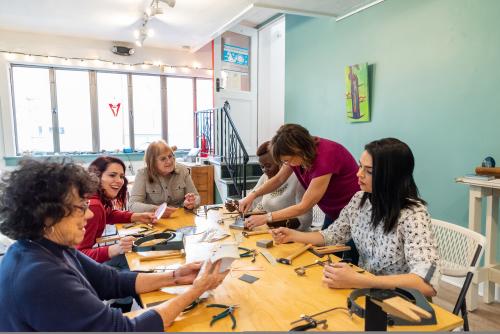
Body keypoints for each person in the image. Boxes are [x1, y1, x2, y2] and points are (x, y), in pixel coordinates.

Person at [0, 159, 228, 331]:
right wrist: (196, 289)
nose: (89, 214)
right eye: (81, 207)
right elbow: (125, 330)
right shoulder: (41, 276)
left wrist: (177, 276)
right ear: (48, 216)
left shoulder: (47, 246)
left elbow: (111, 281)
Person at [271, 138, 440, 296]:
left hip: (399, 298)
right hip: (365, 291)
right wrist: (293, 235)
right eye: (360, 166)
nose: (358, 174)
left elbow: (426, 283)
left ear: (392, 176)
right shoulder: (359, 199)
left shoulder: (413, 215)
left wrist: (361, 280)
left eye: (369, 171)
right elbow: (332, 235)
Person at [240, 124, 359, 231]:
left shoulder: (325, 158)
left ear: (297, 150)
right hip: (334, 212)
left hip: (357, 213)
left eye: (286, 160)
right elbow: (278, 179)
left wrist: (267, 217)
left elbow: (304, 206)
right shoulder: (298, 156)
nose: (286, 164)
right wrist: (252, 195)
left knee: (350, 253)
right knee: (329, 250)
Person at [77, 156, 156, 264]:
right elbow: (79, 255)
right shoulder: (94, 207)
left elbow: (107, 214)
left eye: (121, 176)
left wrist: (136, 216)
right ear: (96, 177)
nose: (119, 181)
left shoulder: (94, 198)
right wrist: (116, 248)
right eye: (112, 175)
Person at [250, 141, 312, 231]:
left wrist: (272, 221)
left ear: (281, 162)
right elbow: (259, 204)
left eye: (268, 165)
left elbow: (306, 219)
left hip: (296, 236)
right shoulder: (265, 178)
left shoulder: (297, 179)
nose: (265, 170)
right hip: (272, 232)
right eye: (262, 167)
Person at [129, 140, 200, 213]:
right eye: (163, 159)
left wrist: (191, 202)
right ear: (152, 162)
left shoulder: (183, 171)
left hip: (180, 218)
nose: (169, 161)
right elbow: (132, 205)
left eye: (170, 156)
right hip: (154, 219)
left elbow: (196, 197)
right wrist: (157, 209)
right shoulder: (142, 174)